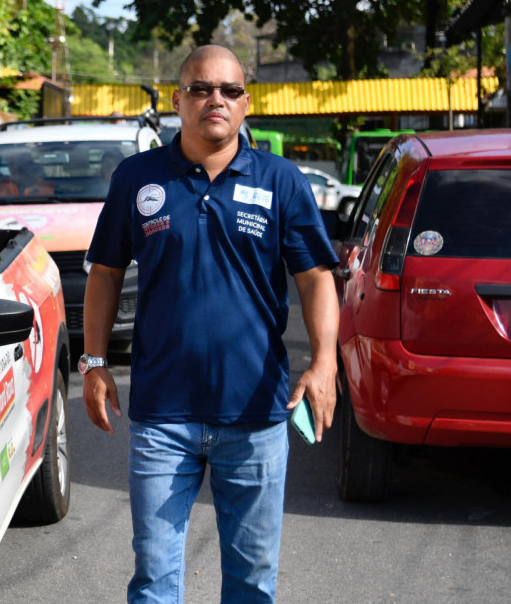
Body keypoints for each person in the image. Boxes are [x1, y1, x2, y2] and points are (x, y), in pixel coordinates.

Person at [81, 45, 338, 604]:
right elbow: (104, 273)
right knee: (154, 583)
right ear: (177, 100)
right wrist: (94, 363)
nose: (214, 100)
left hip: (256, 417)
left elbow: (317, 277)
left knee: (251, 585)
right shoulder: (137, 178)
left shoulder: (281, 181)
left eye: (229, 90)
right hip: (161, 418)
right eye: (200, 89)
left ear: (247, 103)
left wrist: (324, 362)